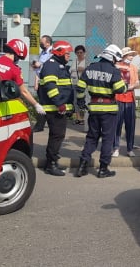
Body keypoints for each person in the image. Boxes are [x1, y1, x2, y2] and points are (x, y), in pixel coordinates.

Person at [75, 44, 128, 178]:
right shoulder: (113, 71)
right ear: (113, 58)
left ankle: (82, 166)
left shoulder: (90, 68)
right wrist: (125, 85)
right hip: (109, 110)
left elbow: (80, 88)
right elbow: (120, 89)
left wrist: (81, 102)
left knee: (92, 137)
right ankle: (103, 169)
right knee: (107, 139)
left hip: (93, 109)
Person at [37, 40, 75, 177]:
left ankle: (53, 160)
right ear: (59, 52)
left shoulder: (58, 65)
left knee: (58, 136)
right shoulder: (52, 66)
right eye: (67, 53)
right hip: (54, 108)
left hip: (58, 108)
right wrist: (60, 103)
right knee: (56, 136)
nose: (69, 55)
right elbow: (50, 86)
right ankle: (50, 165)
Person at [0, 39, 46, 116]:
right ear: (16, 55)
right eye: (19, 58)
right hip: (1, 104)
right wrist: (36, 105)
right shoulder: (15, 69)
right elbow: (23, 92)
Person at [113, 47, 139, 158]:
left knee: (130, 125)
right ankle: (116, 148)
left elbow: (137, 82)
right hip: (118, 98)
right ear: (123, 56)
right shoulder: (115, 66)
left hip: (130, 99)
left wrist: (130, 87)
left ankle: (129, 148)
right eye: (129, 55)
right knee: (117, 125)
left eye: (132, 55)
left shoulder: (133, 67)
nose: (131, 57)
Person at [32, 35, 53, 132]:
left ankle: (41, 125)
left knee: (45, 103)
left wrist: (40, 64)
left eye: (42, 42)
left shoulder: (52, 52)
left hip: (48, 82)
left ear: (48, 43)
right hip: (41, 82)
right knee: (42, 103)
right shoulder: (42, 53)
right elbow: (38, 70)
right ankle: (40, 124)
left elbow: (50, 64)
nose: (40, 43)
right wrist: (36, 83)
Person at [71, 45, 87, 125]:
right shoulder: (75, 61)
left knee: (83, 101)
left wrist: (83, 69)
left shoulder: (86, 61)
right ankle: (78, 118)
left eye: (81, 52)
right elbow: (71, 70)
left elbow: (89, 70)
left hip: (83, 84)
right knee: (75, 101)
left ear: (84, 53)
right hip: (74, 83)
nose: (79, 54)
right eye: (77, 52)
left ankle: (84, 118)